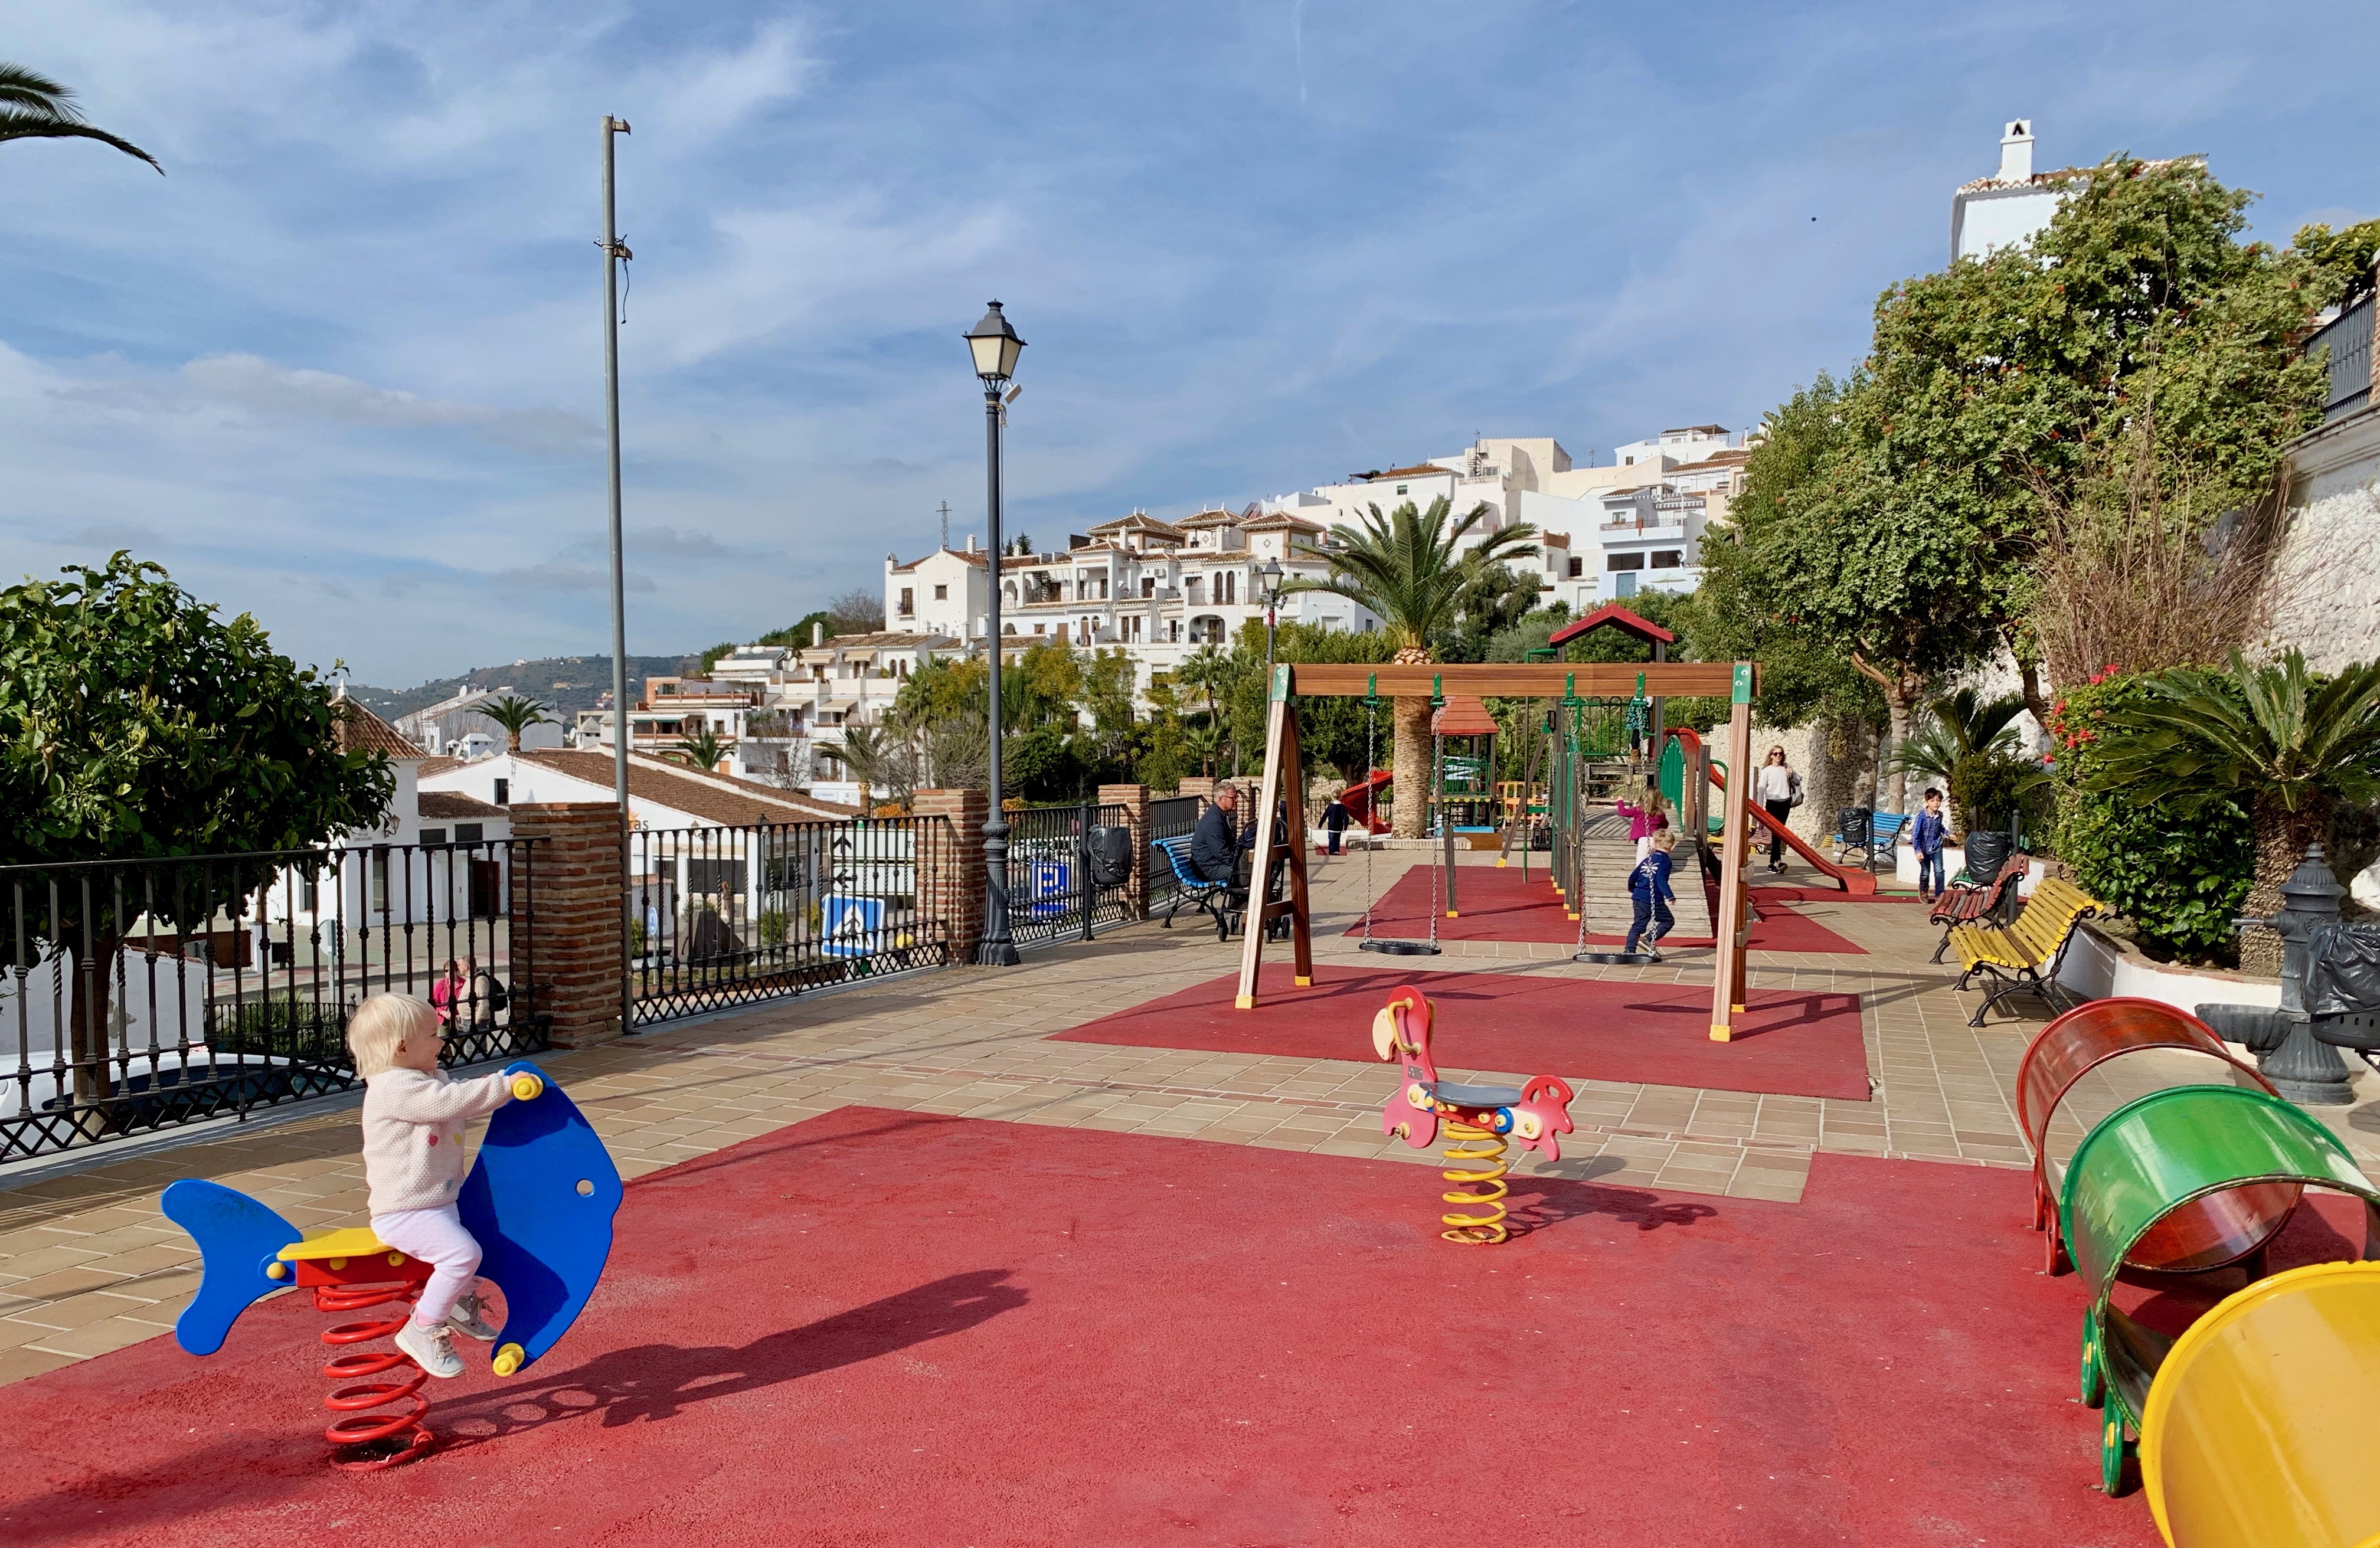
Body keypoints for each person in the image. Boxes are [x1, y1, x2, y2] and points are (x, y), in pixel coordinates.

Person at [346, 993, 524, 1380]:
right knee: (462, 1254)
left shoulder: (423, 1078)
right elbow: (448, 1102)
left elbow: (451, 1094)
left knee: (483, 1244)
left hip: (438, 1201)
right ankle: (422, 1328)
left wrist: (492, 1088)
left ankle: (459, 1306)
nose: (442, 1039)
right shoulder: (394, 1087)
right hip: (405, 1211)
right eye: (433, 1033)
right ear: (402, 1047)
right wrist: (503, 1087)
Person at [1625, 829, 1678, 960]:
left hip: (1638, 897)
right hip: (1653, 899)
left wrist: (1632, 889)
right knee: (1668, 921)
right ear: (1672, 847)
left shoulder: (1648, 860)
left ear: (1654, 844)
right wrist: (1670, 896)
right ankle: (1648, 939)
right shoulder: (1666, 862)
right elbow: (1661, 880)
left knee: (1638, 924)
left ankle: (1629, 951)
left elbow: (1634, 876)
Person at [1753, 745, 1804, 875]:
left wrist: (1791, 773)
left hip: (1785, 803)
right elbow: (1761, 789)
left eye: (1780, 754)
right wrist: (1760, 807)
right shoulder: (1767, 771)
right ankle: (1773, 863)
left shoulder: (1785, 769)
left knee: (1780, 833)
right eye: (1775, 754)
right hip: (1773, 803)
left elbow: (1798, 781)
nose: (1778, 756)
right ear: (1771, 755)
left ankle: (1776, 862)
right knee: (1777, 833)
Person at [1189, 784, 1251, 884]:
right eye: (1233, 797)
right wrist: (1238, 862)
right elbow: (1221, 852)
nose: (1236, 800)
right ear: (1221, 799)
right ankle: (1244, 897)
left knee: (1251, 865)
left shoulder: (1219, 815)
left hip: (1214, 863)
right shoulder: (1214, 821)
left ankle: (1244, 897)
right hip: (1208, 869)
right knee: (1247, 872)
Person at [1613, 782, 1671, 862]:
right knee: (1653, 862)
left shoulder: (1639, 810)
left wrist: (1620, 802)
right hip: (1655, 841)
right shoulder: (1660, 813)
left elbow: (1624, 812)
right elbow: (1665, 825)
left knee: (1640, 865)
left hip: (1643, 841)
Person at [1912, 787, 1949, 901]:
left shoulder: (1940, 816)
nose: (1936, 803)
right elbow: (1916, 835)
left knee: (1939, 870)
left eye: (1938, 801)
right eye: (1932, 801)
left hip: (1937, 846)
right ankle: (1923, 891)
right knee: (1925, 872)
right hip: (1924, 849)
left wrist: (1947, 833)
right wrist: (1918, 851)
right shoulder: (1921, 817)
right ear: (1927, 801)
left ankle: (1940, 894)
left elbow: (1940, 828)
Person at [429, 960, 466, 1026]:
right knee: (442, 1035)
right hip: (444, 1019)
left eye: (451, 970)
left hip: (459, 1018)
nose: (449, 973)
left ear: (456, 970)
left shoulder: (464, 984)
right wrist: (443, 1012)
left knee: (460, 1036)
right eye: (446, 971)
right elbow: (434, 1003)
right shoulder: (440, 985)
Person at [1320, 791, 1352, 855]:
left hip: (1331, 826)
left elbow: (1325, 815)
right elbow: (1346, 818)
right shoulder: (1343, 807)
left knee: (1331, 839)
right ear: (1340, 797)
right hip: (1339, 827)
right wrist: (1345, 827)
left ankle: (1332, 851)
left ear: (1332, 798)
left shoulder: (1330, 807)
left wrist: (1320, 824)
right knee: (1337, 839)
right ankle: (1336, 851)